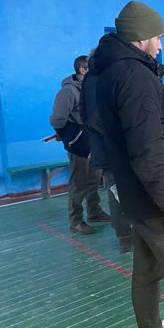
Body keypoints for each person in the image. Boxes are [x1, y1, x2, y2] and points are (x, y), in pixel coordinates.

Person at [93, 1, 164, 328]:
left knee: (147, 272)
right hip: (158, 200)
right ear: (141, 37)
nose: (160, 44)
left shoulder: (111, 71)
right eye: (157, 36)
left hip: (137, 196)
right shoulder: (134, 76)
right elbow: (147, 150)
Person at [50, 55, 109, 235]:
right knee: (79, 183)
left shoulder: (93, 87)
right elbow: (57, 119)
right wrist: (66, 135)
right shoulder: (68, 92)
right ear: (83, 70)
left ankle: (94, 212)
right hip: (79, 144)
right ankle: (75, 221)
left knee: (94, 179)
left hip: (95, 142)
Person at [81, 51, 133, 253]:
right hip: (116, 148)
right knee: (121, 194)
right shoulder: (107, 78)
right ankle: (128, 238)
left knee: (115, 193)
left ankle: (125, 238)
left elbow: (86, 114)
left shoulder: (89, 79)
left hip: (105, 149)